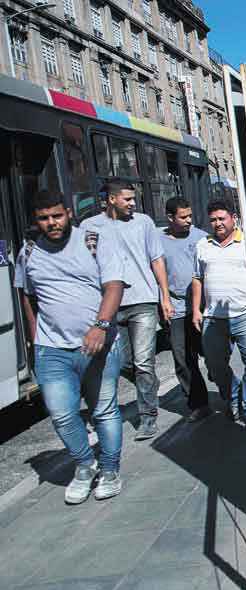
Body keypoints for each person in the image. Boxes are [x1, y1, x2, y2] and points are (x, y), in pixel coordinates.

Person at [16, 190, 126, 503]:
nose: (51, 223)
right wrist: (36, 335)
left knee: (103, 411)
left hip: (99, 344)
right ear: (36, 220)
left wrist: (101, 326)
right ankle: (85, 465)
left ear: (68, 213)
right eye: (43, 218)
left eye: (56, 216)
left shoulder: (95, 241)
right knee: (61, 414)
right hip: (52, 349)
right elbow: (28, 295)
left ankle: (110, 470)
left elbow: (114, 286)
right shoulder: (29, 250)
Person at [82, 180, 172, 441]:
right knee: (121, 362)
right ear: (111, 199)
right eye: (127, 199)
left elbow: (157, 259)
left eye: (133, 199)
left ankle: (148, 417)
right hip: (110, 306)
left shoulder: (143, 222)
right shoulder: (89, 227)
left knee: (144, 362)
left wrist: (164, 296)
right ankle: (149, 384)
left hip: (142, 300)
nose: (133, 204)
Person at [191, 201, 246, 428]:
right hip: (213, 317)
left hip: (245, 314)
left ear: (233, 218)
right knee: (214, 365)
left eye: (222, 218)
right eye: (213, 220)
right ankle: (233, 397)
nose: (218, 223)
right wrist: (196, 309)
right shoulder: (203, 244)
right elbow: (197, 278)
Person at [161, 197, 211, 423]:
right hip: (176, 308)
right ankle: (198, 404)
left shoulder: (201, 237)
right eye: (183, 217)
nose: (189, 220)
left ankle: (229, 392)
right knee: (183, 359)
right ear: (170, 218)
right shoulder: (157, 240)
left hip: (201, 307)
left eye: (190, 216)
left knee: (211, 353)